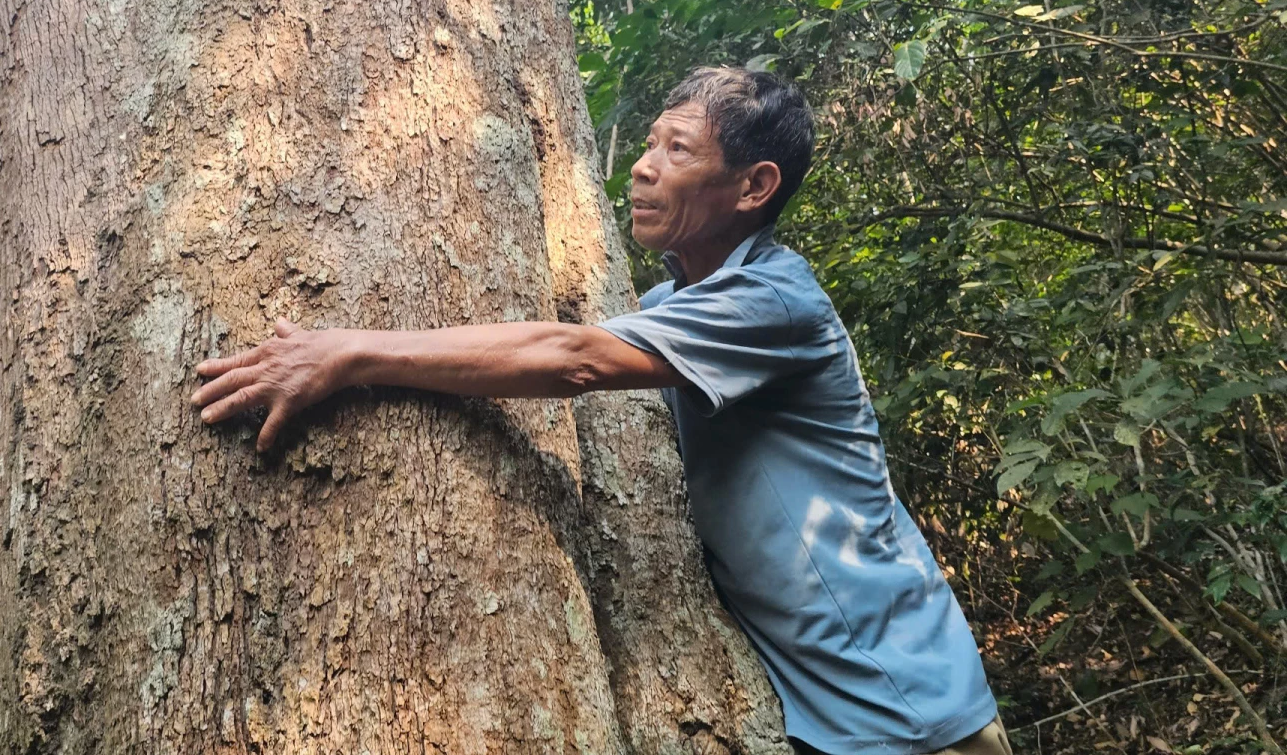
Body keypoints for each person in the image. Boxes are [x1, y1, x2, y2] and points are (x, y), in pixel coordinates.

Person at [190, 66, 1008, 755]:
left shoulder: (772, 300)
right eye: (649, 144)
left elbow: (570, 357)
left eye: (677, 150)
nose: (644, 168)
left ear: (755, 186)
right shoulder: (676, 302)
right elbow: (543, 347)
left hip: (902, 697)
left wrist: (347, 353)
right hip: (820, 700)